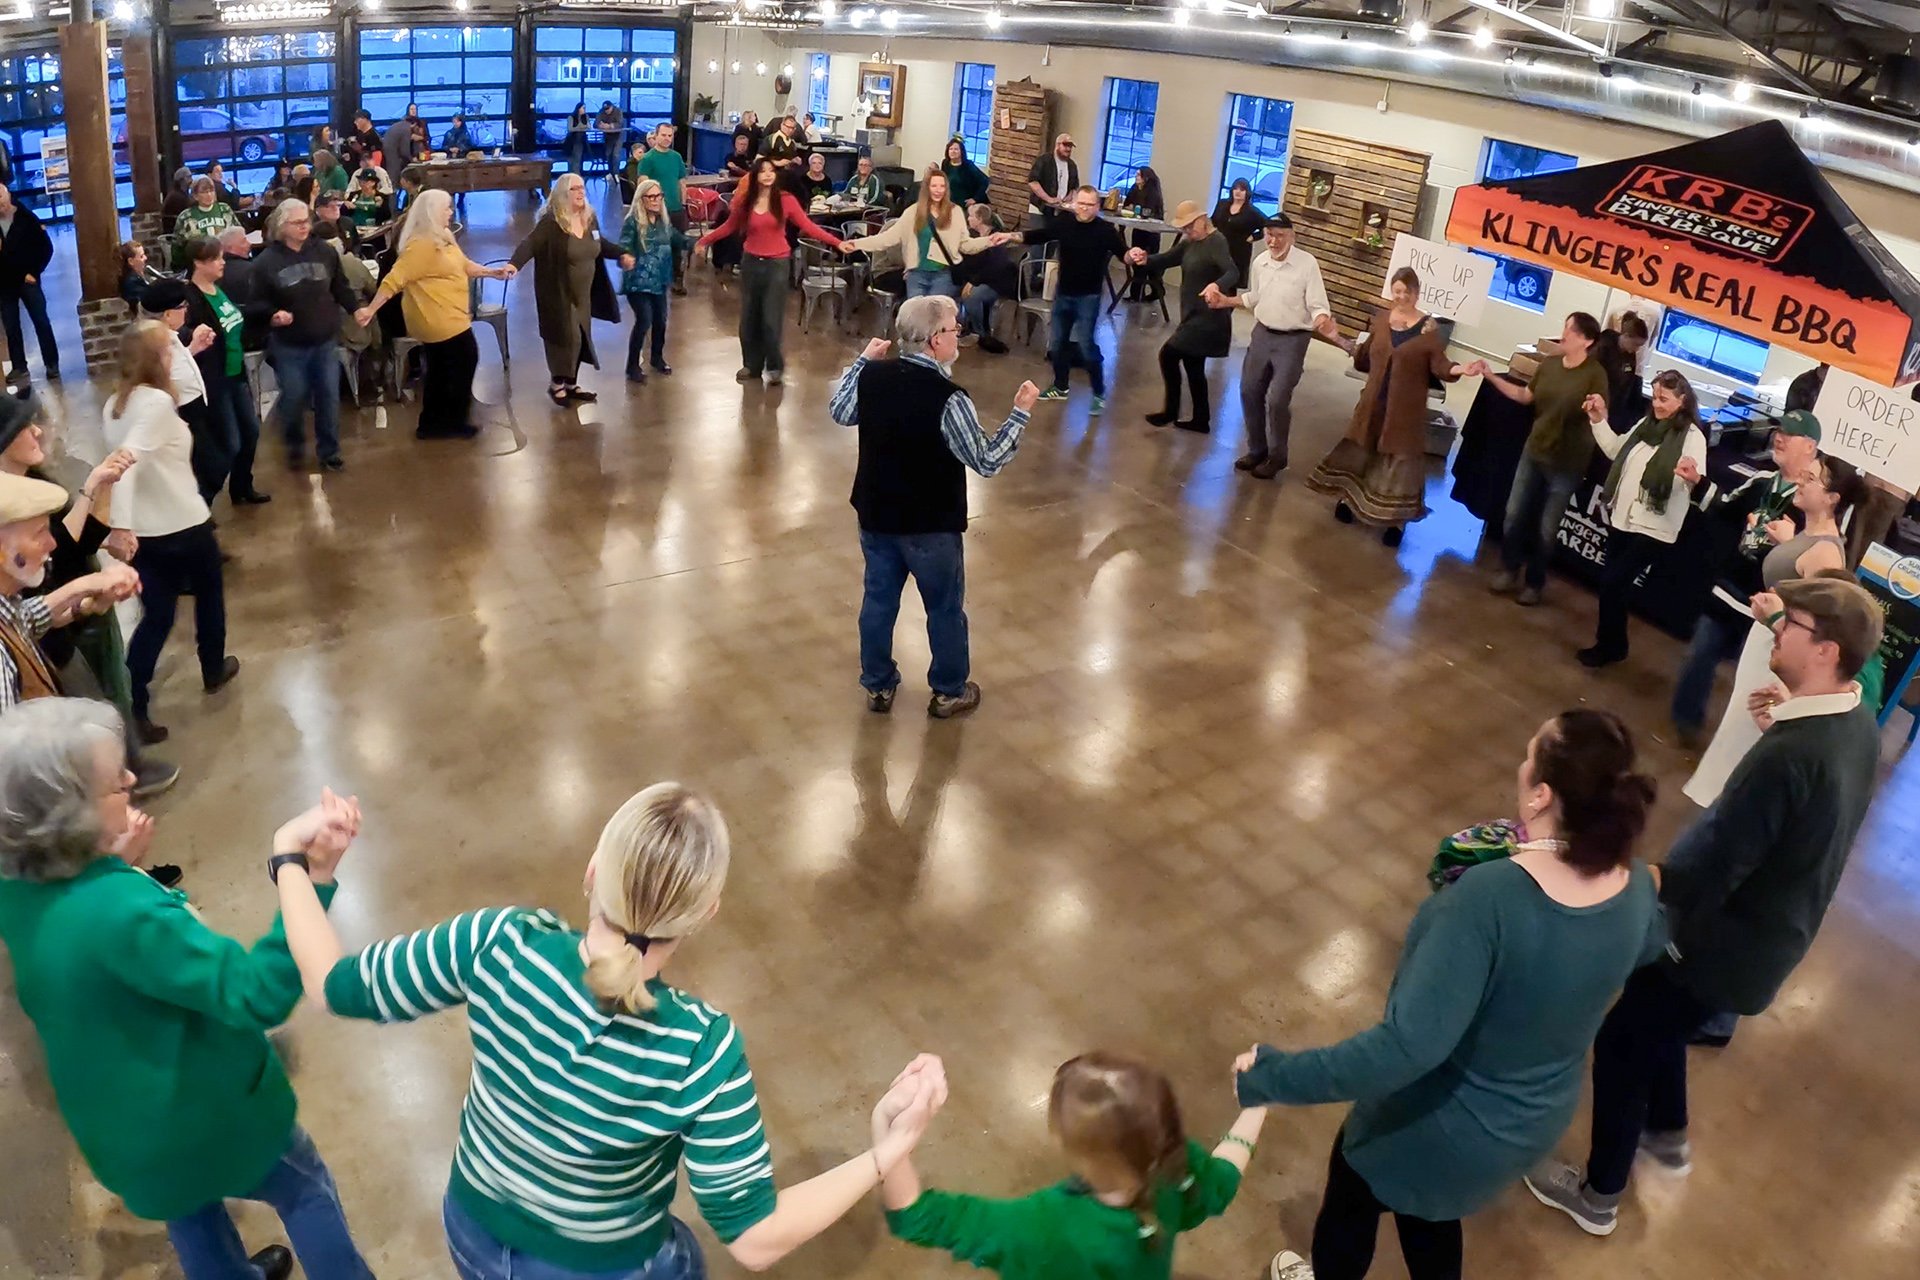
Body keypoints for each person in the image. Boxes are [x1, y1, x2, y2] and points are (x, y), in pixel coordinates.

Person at [269, 779, 945, 1280]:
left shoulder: (499, 943)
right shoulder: (700, 1051)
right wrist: (888, 1150)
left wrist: (294, 864)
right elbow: (756, 1239)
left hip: (473, 1225)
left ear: (594, 870)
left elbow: (333, 987)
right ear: (705, 913)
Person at [1239, 710, 1663, 1280]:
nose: (1520, 762)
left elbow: (1405, 1048)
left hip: (1443, 1125)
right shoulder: (1636, 885)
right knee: (1431, 1214)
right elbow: (1641, 948)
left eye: (1529, 754)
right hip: (1532, 1123)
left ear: (1539, 795)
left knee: (1353, 1190)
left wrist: (1272, 1076)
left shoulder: (1486, 902)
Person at [1528, 578, 1883, 1239]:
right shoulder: (1853, 719)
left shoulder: (1790, 758)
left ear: (1827, 650)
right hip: (1768, 938)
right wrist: (1789, 710)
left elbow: (1710, 867)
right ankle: (1666, 1135)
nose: (1776, 626)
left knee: (1625, 1039)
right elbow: (1808, 799)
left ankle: (1599, 1195)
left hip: (1720, 944)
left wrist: (1612, 879)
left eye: (1793, 624)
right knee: (1658, 1021)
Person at [0, 702, 375, 1280]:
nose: (130, 779)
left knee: (190, 1217)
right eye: (112, 782)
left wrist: (110, 865)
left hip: (123, 1130)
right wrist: (310, 874)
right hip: (205, 1120)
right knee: (304, 1187)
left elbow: (87, 948)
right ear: (66, 816)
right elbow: (256, 994)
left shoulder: (16, 890)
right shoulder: (126, 913)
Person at [829, 298, 1040, 718]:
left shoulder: (873, 377)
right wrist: (1020, 414)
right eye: (954, 328)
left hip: (876, 515)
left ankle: (878, 684)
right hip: (930, 526)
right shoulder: (949, 398)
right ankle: (948, 690)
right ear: (934, 339)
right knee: (943, 608)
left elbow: (840, 411)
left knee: (878, 601)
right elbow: (986, 460)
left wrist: (861, 362)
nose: (958, 335)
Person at [883, 1052, 1269, 1277]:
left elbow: (916, 1217)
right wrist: (1261, 1099)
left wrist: (889, 1130)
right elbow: (1224, 1177)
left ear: (1065, 1144)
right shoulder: (1179, 1166)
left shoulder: (1042, 1225)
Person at [1682, 450, 1860, 806]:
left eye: (1812, 480)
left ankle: (1724, 801)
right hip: (1767, 639)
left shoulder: (1826, 553)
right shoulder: (1807, 536)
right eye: (1804, 475)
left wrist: (1778, 618)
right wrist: (1787, 543)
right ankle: (1718, 797)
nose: (1801, 483)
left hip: (1777, 646)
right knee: (1739, 719)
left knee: (1748, 723)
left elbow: (1819, 627)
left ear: (1832, 498)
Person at [101, 321, 238, 736]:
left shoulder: (114, 405)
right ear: (154, 359)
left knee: (157, 617)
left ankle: (133, 702)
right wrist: (117, 528)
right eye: (169, 350)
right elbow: (126, 463)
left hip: (148, 533)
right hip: (183, 523)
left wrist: (126, 527)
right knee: (209, 596)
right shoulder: (157, 404)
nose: (174, 355)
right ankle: (213, 668)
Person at [1668, 409, 1822, 746]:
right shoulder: (1763, 480)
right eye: (1779, 430)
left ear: (1810, 446)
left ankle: (1746, 743)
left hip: (1772, 610)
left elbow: (1821, 557)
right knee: (1699, 654)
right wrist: (1697, 481)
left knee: (1758, 680)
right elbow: (1725, 505)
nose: (1779, 437)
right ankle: (1686, 722)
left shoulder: (1815, 500)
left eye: (1790, 434)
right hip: (1730, 591)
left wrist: (1792, 543)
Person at [1305, 266, 1462, 546]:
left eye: (1407, 292)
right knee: (1362, 449)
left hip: (1405, 411)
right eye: (1397, 291)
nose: (1401, 297)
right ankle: (1348, 500)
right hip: (1373, 402)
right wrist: (1336, 337)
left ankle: (1396, 522)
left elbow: (1440, 366)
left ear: (1416, 293)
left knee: (1398, 462)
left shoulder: (1428, 329)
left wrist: (1461, 369)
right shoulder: (1381, 321)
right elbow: (1363, 357)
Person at [1572, 370, 1711, 667]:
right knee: (1613, 586)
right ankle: (1613, 644)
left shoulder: (1692, 438)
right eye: (1655, 395)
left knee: (1612, 582)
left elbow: (1696, 482)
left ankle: (1609, 645)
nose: (1657, 403)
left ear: (1682, 400)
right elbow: (1615, 450)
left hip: (1654, 528)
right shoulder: (1644, 425)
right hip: (1623, 519)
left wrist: (1690, 477)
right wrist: (1599, 419)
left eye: (1664, 399)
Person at [1469, 311, 1610, 605]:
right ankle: (1509, 568)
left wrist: (1596, 408)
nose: (1564, 334)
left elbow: (1600, 414)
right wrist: (1491, 375)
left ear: (1586, 340)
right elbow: (1525, 397)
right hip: (1535, 451)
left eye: (1570, 330)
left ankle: (1535, 582)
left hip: (1567, 463)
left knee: (1547, 528)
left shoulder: (1595, 375)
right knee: (1513, 514)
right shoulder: (1549, 365)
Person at [356, 189, 513, 440]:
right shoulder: (421, 245)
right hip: (437, 319)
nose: (451, 212)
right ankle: (453, 421)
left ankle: (431, 423)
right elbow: (394, 281)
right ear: (432, 212)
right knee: (464, 360)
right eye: (447, 208)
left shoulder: (445, 237)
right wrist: (370, 309)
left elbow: (463, 264)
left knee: (440, 369)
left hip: (452, 314)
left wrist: (491, 273)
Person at [697, 157, 842, 387]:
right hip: (751, 262)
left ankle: (774, 366)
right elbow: (729, 226)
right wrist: (704, 241)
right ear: (755, 175)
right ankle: (751, 365)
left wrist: (837, 243)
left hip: (777, 264)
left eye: (771, 171)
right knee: (749, 318)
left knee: (770, 320)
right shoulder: (746, 201)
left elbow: (808, 226)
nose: (767, 175)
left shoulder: (786, 200)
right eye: (762, 171)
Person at [1220, 213, 1335, 479]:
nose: (1273, 240)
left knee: (1278, 399)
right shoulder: (1260, 262)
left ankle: (1277, 456)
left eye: (1280, 235)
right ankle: (1257, 449)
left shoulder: (1307, 264)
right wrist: (1226, 302)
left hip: (1293, 339)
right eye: (1270, 234)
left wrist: (1322, 319)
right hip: (1262, 333)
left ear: (1292, 237)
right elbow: (1254, 297)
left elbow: (1318, 304)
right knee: (1249, 391)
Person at [252, 199, 362, 472]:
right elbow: (255, 304)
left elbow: (340, 287)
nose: (305, 227)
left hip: (324, 339)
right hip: (289, 344)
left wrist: (355, 309)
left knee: (328, 397)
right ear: (282, 226)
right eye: (298, 223)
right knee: (293, 398)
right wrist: (273, 314)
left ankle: (330, 452)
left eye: (307, 221)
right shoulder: (266, 262)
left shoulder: (324, 252)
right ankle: (294, 446)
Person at [510, 172, 632, 407]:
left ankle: (571, 383)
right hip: (558, 291)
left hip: (584, 293)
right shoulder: (552, 223)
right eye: (574, 189)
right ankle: (557, 383)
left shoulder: (589, 219)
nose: (581, 193)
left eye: (582, 188)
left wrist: (620, 254)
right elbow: (530, 244)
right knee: (565, 337)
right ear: (562, 195)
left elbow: (600, 243)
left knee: (581, 335)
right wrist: (514, 264)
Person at [1008, 185, 1127, 412]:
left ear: (1097, 207)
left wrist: (1133, 256)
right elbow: (1040, 235)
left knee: (1085, 344)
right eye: (1080, 203)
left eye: (1089, 205)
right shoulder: (1065, 223)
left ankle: (1099, 392)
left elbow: (1124, 254)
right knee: (1058, 342)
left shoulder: (1105, 231)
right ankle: (1061, 386)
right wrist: (1011, 235)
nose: (1084, 208)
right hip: (1063, 294)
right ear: (1074, 204)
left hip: (1088, 297)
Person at [1129, 201, 1238, 434]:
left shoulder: (1216, 241)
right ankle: (1201, 420)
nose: (1187, 231)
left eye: (1190, 226)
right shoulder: (1190, 242)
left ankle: (1171, 412)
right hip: (1192, 313)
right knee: (1193, 365)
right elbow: (1168, 259)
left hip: (1209, 317)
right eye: (1184, 228)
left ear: (1202, 219)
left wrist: (1215, 285)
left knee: (1168, 355)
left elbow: (1233, 272)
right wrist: (1146, 259)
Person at [182, 237, 269, 507]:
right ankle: (202, 501)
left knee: (250, 432)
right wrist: (193, 333)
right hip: (213, 381)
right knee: (227, 443)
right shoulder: (191, 297)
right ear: (198, 263)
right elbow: (180, 331)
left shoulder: (217, 289)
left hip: (234, 374)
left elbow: (233, 318)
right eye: (216, 259)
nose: (223, 263)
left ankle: (242, 487)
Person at [139, 280, 224, 510]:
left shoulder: (169, 335)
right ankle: (197, 511)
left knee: (207, 465)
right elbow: (156, 380)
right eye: (182, 306)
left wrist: (194, 348)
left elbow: (175, 364)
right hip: (183, 413)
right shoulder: (155, 343)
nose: (186, 310)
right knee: (208, 468)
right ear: (168, 314)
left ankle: (200, 509)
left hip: (193, 409)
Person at [841, 166, 985, 301]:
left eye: (942, 186)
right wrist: (857, 244)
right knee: (915, 318)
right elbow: (887, 238)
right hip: (916, 275)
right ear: (926, 189)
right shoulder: (913, 212)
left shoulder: (955, 212)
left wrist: (990, 240)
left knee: (933, 317)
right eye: (934, 186)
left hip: (943, 274)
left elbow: (965, 245)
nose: (938, 190)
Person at [616, 178, 693, 383]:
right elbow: (623, 246)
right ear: (641, 199)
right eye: (651, 196)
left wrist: (697, 243)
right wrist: (626, 257)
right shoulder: (632, 222)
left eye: (659, 196)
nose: (656, 200)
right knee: (644, 320)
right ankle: (632, 366)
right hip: (638, 282)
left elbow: (678, 239)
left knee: (661, 321)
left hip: (660, 280)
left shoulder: (664, 222)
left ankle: (657, 358)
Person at [0, 184, 58, 386]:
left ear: (8, 196)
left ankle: (52, 364)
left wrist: (34, 272)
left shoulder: (26, 218)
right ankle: (19, 367)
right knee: (11, 326)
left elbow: (45, 247)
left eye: (0, 197)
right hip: (5, 283)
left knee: (41, 321)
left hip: (27, 280)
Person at [952, 202, 1018, 355]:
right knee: (949, 289)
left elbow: (995, 268)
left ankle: (980, 333)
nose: (968, 219)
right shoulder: (970, 236)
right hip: (973, 279)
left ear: (980, 219)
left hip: (995, 283)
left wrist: (973, 282)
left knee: (972, 297)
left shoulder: (996, 238)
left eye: (970, 216)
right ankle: (960, 327)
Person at [635, 121, 691, 294]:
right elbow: (643, 184)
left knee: (677, 247)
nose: (667, 138)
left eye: (670, 135)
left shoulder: (676, 157)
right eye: (663, 135)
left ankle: (677, 280)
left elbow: (682, 183)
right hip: (657, 211)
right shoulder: (647, 159)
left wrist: (683, 205)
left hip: (676, 209)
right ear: (656, 136)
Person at [1592, 311, 1650, 430]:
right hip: (1597, 403)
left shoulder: (1630, 355)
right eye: (1635, 344)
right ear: (1626, 336)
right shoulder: (1602, 347)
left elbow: (1628, 381)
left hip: (1615, 408)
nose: (1636, 349)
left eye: (1640, 346)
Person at [1210, 177, 1266, 286]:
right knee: (1213, 279)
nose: (1238, 192)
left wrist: (1254, 237)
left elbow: (1267, 226)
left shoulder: (1251, 212)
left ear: (1247, 192)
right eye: (1235, 188)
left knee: (1230, 283)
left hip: (1238, 252)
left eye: (1242, 190)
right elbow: (1213, 221)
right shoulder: (1222, 205)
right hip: (1218, 248)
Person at [1122, 166, 1165, 302]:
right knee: (1137, 261)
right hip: (1138, 230)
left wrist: (1136, 210)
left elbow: (1149, 212)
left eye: (1139, 175)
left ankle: (1152, 291)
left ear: (1146, 178)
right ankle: (1138, 293)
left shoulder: (1152, 193)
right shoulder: (1135, 189)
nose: (1136, 178)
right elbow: (1127, 204)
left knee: (1147, 263)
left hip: (1150, 233)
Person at [1025, 133, 1079, 226]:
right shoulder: (1044, 160)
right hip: (1039, 209)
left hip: (1060, 211)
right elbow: (1033, 181)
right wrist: (1048, 199)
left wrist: (1068, 198)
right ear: (1057, 145)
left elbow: (1074, 187)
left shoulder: (1072, 165)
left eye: (1070, 146)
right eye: (1065, 145)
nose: (1068, 149)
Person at [941, 137, 991, 208]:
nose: (953, 151)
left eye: (956, 149)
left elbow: (985, 181)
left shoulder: (968, 165)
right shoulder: (945, 163)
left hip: (963, 204)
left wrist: (975, 199)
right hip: (948, 202)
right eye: (951, 149)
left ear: (961, 151)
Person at [119, 239, 161, 311]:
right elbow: (150, 301)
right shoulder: (132, 282)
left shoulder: (137, 277)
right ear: (131, 261)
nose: (145, 258)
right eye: (141, 256)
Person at [160, 166, 195, 232]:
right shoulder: (177, 197)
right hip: (176, 234)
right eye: (189, 177)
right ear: (182, 180)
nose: (192, 180)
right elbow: (190, 212)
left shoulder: (176, 193)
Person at [382, 112, 415, 178]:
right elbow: (404, 151)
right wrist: (412, 160)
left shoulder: (399, 125)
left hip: (387, 152)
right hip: (392, 154)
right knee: (393, 176)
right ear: (414, 124)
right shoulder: (407, 129)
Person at [595, 99, 625, 171]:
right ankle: (610, 172)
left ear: (612, 107)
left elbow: (620, 124)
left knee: (615, 155)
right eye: (605, 109)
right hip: (608, 137)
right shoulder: (601, 111)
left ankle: (616, 173)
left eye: (608, 109)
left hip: (618, 135)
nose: (606, 111)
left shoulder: (618, 111)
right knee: (608, 154)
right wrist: (600, 125)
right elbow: (596, 123)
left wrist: (610, 126)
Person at [565, 103, 591, 175]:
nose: (584, 110)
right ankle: (571, 175)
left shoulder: (586, 117)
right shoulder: (571, 117)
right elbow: (570, 128)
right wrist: (581, 128)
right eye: (583, 108)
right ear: (578, 108)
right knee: (571, 160)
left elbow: (588, 127)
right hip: (572, 140)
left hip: (581, 140)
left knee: (578, 159)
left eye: (585, 108)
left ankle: (577, 175)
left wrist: (580, 128)